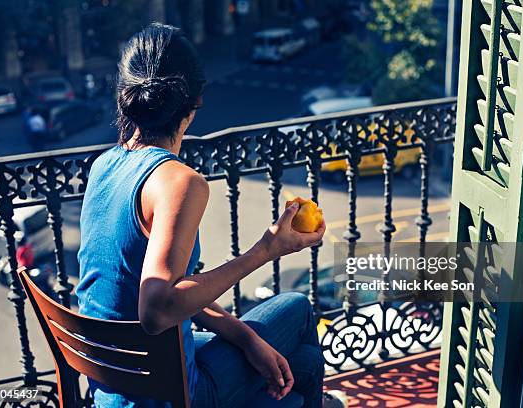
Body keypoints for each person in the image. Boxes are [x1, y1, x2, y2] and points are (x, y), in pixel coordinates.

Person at [77, 23, 341, 408]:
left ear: (126, 94)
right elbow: (157, 309)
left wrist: (247, 338)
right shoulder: (179, 182)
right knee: (298, 309)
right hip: (170, 393)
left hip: (112, 380)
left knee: (298, 363)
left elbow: (173, 290)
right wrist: (267, 249)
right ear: (196, 101)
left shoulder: (104, 165)